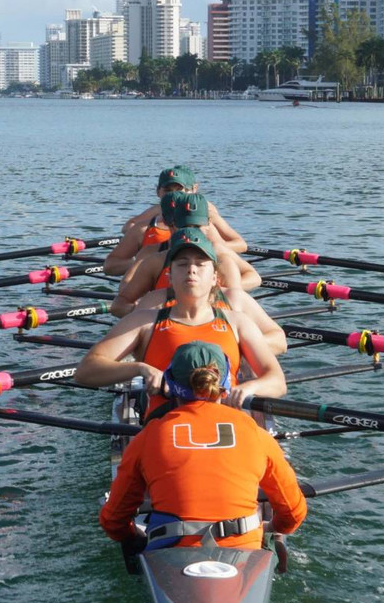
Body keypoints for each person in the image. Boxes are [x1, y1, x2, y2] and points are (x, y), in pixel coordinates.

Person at [99, 340, 307, 555]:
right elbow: (293, 513)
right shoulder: (256, 434)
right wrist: (272, 529)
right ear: (224, 383)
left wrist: (134, 538)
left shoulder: (148, 436)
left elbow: (113, 521)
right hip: (244, 551)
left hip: (170, 550)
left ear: (170, 384)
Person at [74, 226, 287, 418]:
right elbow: (85, 372)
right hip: (166, 426)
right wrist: (139, 369)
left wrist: (251, 387)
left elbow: (277, 381)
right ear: (170, 276)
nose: (191, 269)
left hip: (227, 422)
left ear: (215, 277)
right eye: (182, 264)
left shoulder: (238, 323)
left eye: (200, 264)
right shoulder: (144, 322)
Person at [111, 191, 289, 353]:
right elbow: (120, 303)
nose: (191, 233)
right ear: (171, 224)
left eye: (197, 227)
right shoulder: (153, 263)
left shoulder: (224, 261)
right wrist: (146, 318)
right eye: (184, 226)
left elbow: (249, 288)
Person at [103, 165, 248, 275]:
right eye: (168, 191)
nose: (174, 196)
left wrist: (203, 252)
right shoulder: (148, 222)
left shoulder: (206, 218)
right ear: (158, 191)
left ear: (193, 190)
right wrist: (148, 262)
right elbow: (111, 264)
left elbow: (240, 246)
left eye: (179, 190)